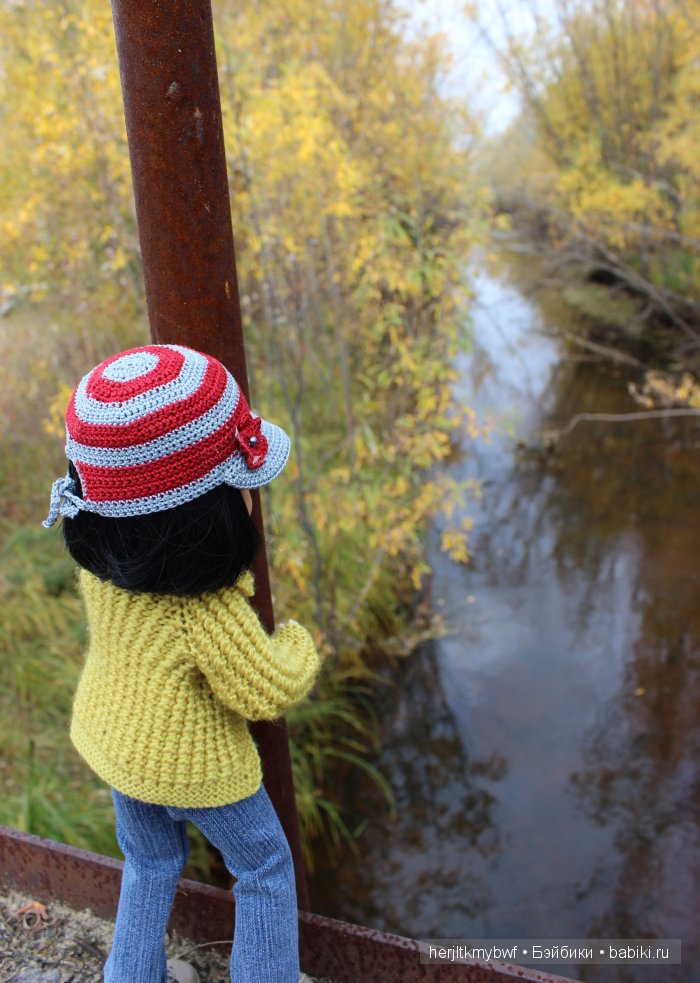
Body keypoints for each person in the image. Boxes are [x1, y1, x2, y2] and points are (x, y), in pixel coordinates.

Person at [43, 343, 321, 983]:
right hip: (192, 764)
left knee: (148, 859)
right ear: (211, 512)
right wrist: (300, 642)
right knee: (262, 867)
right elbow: (265, 690)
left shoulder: (107, 578)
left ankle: (130, 975)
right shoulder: (205, 611)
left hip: (114, 740)